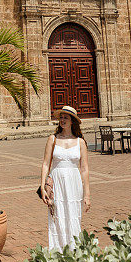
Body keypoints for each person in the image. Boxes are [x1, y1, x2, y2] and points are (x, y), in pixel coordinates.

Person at [40, 105, 90, 250]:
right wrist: (42, 187)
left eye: (65, 118)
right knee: (57, 218)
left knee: (73, 217)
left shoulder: (80, 142)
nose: (62, 120)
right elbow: (45, 164)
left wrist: (87, 195)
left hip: (74, 185)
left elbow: (85, 169)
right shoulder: (52, 139)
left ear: (72, 121)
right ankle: (57, 252)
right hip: (57, 184)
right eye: (61, 117)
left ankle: (74, 252)